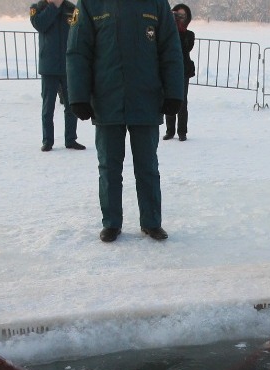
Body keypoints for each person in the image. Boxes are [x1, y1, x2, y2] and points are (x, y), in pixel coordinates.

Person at [66, 0, 184, 243]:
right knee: (109, 167)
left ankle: (151, 221)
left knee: (147, 166)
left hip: (146, 98)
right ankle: (111, 222)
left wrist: (174, 92)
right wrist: (78, 96)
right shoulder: (90, 4)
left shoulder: (156, 3)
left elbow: (170, 49)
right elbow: (78, 51)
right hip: (107, 98)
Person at [31, 0, 86, 152]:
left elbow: (79, 31)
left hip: (68, 67)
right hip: (48, 67)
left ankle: (71, 139)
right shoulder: (38, 8)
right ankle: (47, 141)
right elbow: (40, 25)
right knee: (48, 107)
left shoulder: (71, 9)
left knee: (71, 106)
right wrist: (53, 7)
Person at [162, 4, 195, 142]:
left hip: (183, 71)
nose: (180, 18)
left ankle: (182, 131)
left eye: (183, 16)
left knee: (182, 101)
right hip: (169, 70)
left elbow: (185, 48)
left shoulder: (189, 35)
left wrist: (178, 30)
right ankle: (170, 131)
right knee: (169, 99)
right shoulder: (167, 31)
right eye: (177, 15)